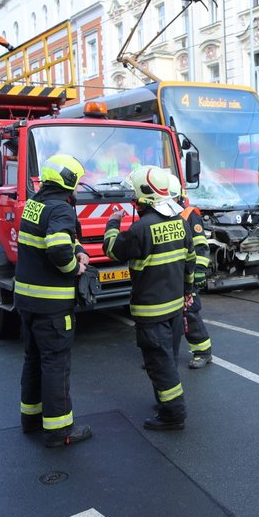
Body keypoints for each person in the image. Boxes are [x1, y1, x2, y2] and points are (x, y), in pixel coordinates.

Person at [103, 165, 196, 431]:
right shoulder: (180, 223)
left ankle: (173, 415)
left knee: (159, 363)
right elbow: (189, 264)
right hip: (175, 308)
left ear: (143, 197)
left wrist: (113, 222)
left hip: (150, 311)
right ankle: (165, 403)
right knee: (168, 358)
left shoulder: (141, 229)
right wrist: (188, 292)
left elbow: (111, 249)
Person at [14, 154, 93, 448]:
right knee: (56, 364)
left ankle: (31, 419)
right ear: (68, 181)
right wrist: (77, 267)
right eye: (77, 183)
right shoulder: (62, 209)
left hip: (28, 301)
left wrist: (79, 247)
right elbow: (58, 249)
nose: (78, 190)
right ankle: (60, 431)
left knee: (33, 360)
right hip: (53, 306)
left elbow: (54, 236)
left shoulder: (35, 205)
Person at [168, 173, 213, 369]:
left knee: (190, 314)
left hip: (188, 275)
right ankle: (167, 355)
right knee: (169, 317)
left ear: (177, 196)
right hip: (170, 274)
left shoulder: (189, 214)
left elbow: (201, 246)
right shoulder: (163, 215)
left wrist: (200, 270)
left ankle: (202, 352)